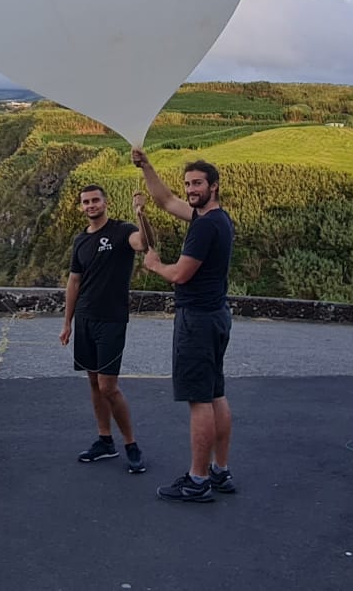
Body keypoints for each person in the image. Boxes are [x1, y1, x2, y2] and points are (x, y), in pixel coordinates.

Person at [132, 149, 237, 503]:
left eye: (198, 184)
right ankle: (219, 471)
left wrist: (155, 265)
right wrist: (146, 166)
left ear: (214, 186)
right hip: (218, 315)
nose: (191, 189)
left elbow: (180, 275)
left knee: (199, 400)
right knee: (216, 393)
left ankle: (197, 479)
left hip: (198, 319)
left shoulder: (204, 226)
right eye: (188, 183)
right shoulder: (217, 218)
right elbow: (165, 200)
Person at [59, 183, 148, 474]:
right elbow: (74, 282)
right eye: (85, 202)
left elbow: (144, 244)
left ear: (105, 202)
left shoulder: (122, 231)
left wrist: (141, 215)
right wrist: (67, 323)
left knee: (108, 387)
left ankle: (131, 444)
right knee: (93, 384)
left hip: (111, 319)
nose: (90, 206)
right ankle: (105, 440)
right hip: (84, 319)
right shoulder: (78, 241)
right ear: (81, 207)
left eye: (95, 200)